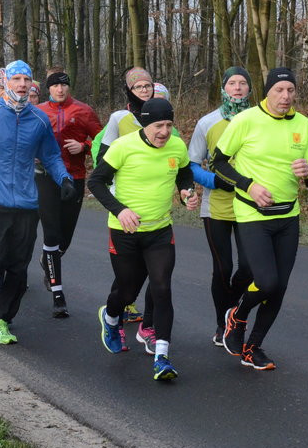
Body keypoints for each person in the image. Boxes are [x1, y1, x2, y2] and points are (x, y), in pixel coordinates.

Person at [0, 60, 74, 345]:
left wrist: (64, 179)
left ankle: (3, 321)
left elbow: (52, 156)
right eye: (16, 78)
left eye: (26, 80)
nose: (22, 84)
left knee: (18, 267)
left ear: (33, 84)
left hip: (27, 203)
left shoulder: (39, 119)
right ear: (6, 82)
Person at [211, 67, 308, 370]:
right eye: (279, 91)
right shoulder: (246, 121)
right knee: (266, 281)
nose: (286, 97)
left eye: (290, 90)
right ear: (266, 92)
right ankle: (238, 315)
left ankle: (253, 347)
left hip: (288, 216)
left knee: (280, 288)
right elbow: (218, 163)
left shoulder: (304, 125)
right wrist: (248, 185)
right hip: (252, 214)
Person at [88, 98, 198, 380]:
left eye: (169, 125)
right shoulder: (124, 147)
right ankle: (111, 317)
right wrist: (120, 210)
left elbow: (184, 172)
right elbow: (96, 182)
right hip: (124, 232)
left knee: (162, 288)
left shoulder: (176, 145)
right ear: (145, 124)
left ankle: (162, 357)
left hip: (160, 230)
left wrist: (186, 191)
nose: (164, 132)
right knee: (126, 292)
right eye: (158, 126)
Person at [188, 66, 255, 346]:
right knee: (222, 267)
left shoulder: (258, 120)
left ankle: (232, 310)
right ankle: (221, 325)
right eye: (232, 83)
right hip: (216, 206)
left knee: (250, 268)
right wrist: (215, 181)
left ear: (250, 89)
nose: (237, 88)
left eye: (242, 83)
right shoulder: (207, 122)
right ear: (223, 89)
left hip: (251, 205)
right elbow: (191, 165)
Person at [92, 67, 157, 329]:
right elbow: (102, 160)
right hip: (124, 199)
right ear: (129, 90)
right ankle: (119, 307)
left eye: (147, 86)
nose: (144, 90)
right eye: (138, 87)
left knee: (145, 263)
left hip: (152, 198)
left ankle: (125, 303)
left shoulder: (161, 114)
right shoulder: (120, 118)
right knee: (128, 263)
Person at [35, 67, 103, 317]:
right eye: (55, 85)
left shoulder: (83, 111)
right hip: (45, 178)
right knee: (51, 234)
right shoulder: (39, 111)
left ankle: (48, 260)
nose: (60, 89)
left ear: (69, 87)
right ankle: (58, 294)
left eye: (64, 85)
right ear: (48, 88)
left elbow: (102, 142)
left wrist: (83, 145)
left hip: (74, 178)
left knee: (64, 239)